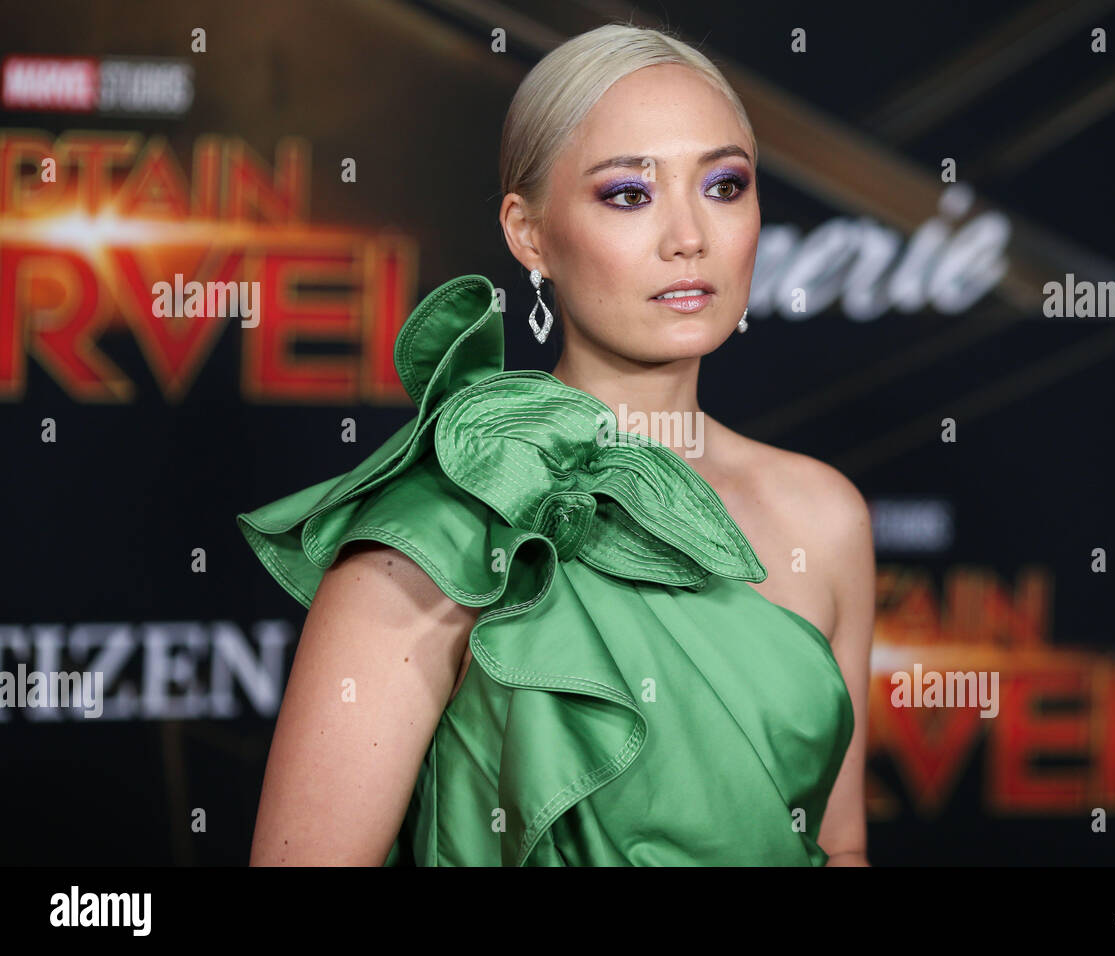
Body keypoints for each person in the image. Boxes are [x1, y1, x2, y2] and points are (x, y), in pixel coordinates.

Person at [238, 22, 875, 866]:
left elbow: (840, 846)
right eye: (628, 194)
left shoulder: (823, 517)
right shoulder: (435, 532)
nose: (690, 236)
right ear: (528, 233)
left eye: (724, 185)